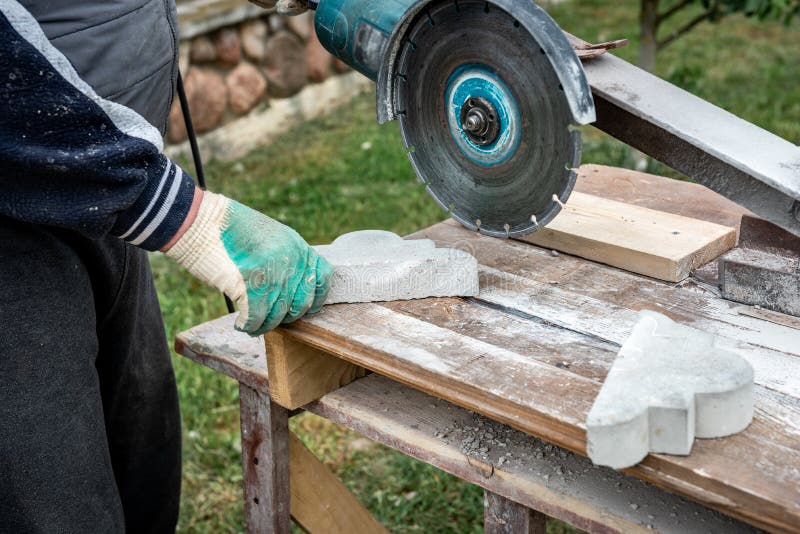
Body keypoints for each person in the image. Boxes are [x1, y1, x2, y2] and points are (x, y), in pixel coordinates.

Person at [0, 0, 322, 531]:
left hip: (106, 198)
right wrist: (184, 217)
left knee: (144, 464)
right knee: (57, 508)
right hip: (19, 221)